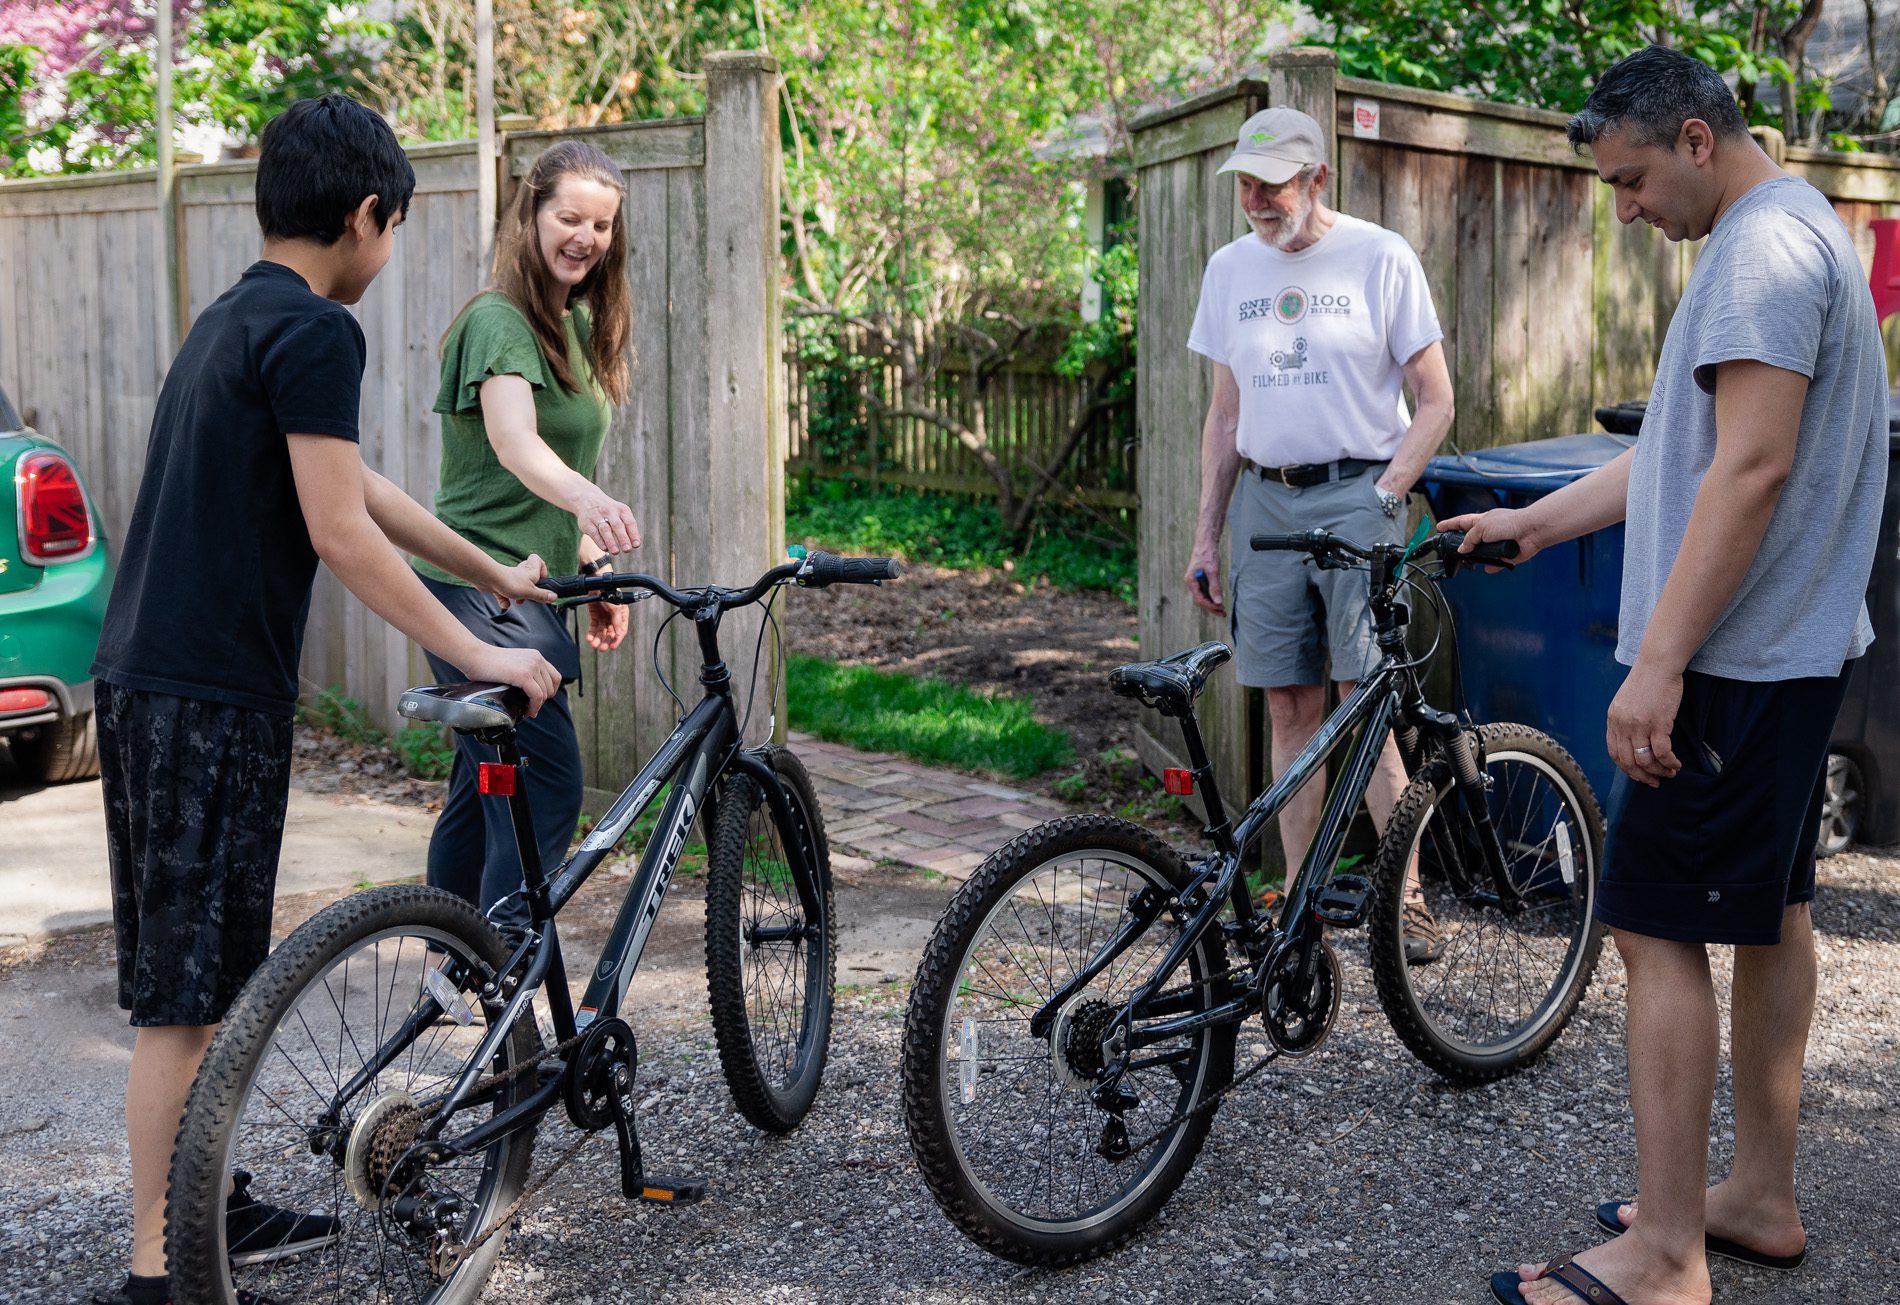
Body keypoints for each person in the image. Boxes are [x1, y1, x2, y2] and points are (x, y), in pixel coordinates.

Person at [87, 96, 563, 1305]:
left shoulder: (236, 316)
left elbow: (359, 485)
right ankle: (158, 1269)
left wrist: (489, 569)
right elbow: (341, 532)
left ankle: (208, 1203)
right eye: (393, 228)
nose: (388, 253)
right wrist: (488, 650)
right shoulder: (315, 332)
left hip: (148, 680)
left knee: (200, 977)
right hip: (208, 697)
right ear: (364, 217)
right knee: (183, 1000)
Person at [1442, 46, 1888, 1305]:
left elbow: (1749, 474)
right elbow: (1686, 459)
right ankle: (1756, 1196)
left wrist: (1659, 667)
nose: (1626, 211)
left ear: (1696, 140)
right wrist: (1534, 526)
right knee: (1771, 913)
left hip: (1737, 666)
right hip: (1793, 657)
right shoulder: (1800, 233)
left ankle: (1664, 1256)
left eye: (1632, 182)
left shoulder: (1755, 255)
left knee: (1653, 923)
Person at [1182, 106, 1456, 959]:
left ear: (1318, 180)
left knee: (1361, 697)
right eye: (1247, 186)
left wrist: (1386, 496)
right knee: (1288, 703)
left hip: (1357, 494)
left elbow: (1436, 399)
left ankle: (1405, 897)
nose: (1257, 200)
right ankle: (1299, 904)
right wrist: (1204, 536)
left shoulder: (1381, 256)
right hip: (1266, 504)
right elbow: (1225, 415)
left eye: (1273, 184)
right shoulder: (1230, 270)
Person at [415, 140, 639, 935]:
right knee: (546, 783)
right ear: (531, 215)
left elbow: (527, 483)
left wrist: (595, 564)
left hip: (531, 588)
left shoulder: (569, 326)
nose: (585, 236)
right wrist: (595, 501)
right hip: (474, 585)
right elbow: (513, 444)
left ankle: (455, 965)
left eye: (602, 224)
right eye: (569, 216)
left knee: (484, 788)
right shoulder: (497, 320)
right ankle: (508, 974)